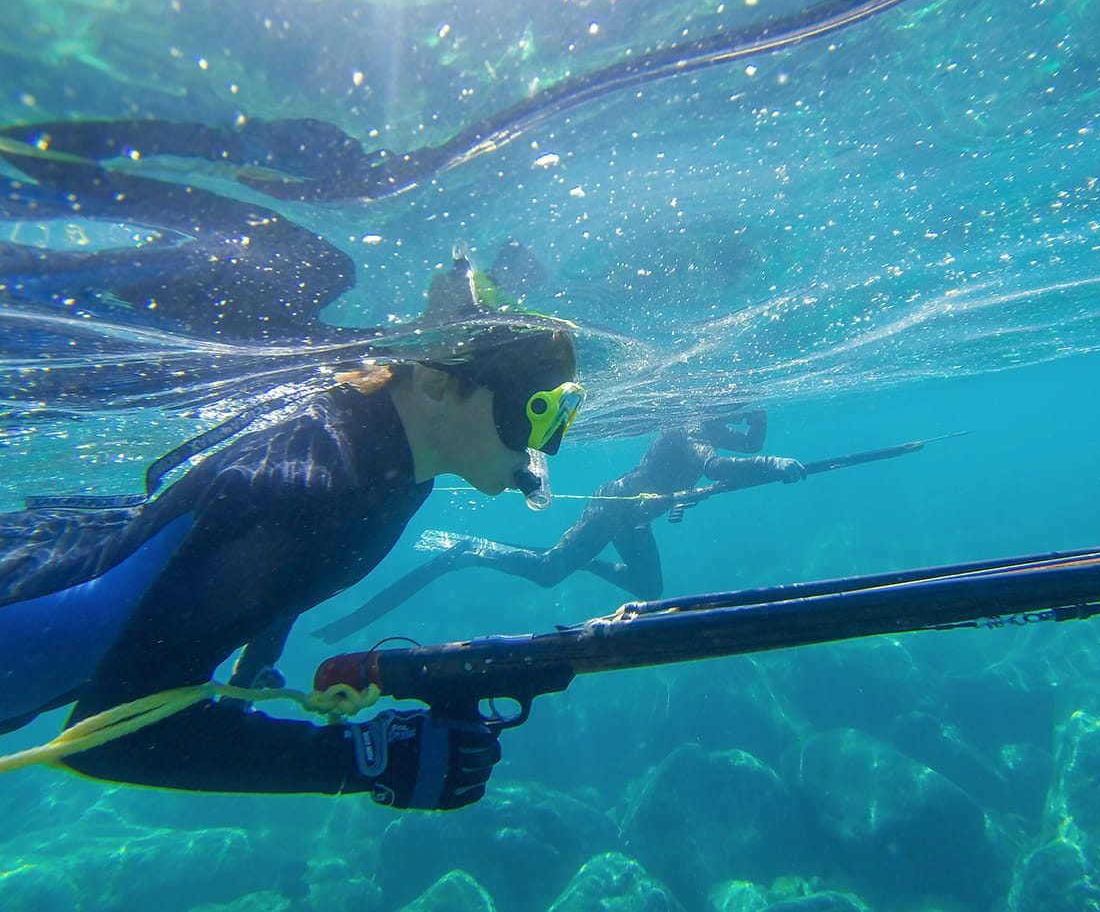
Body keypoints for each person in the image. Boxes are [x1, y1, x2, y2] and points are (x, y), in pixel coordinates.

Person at [0, 251, 584, 811]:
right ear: (435, 386)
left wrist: (253, 663)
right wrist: (364, 760)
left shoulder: (392, 464)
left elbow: (275, 576)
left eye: (561, 415)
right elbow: (108, 737)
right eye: (533, 412)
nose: (546, 447)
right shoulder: (309, 492)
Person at [316, 411, 804, 644]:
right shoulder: (691, 428)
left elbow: (744, 445)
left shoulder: (711, 427)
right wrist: (775, 464)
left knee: (648, 588)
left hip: (635, 518)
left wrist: (758, 419)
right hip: (614, 507)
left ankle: (585, 562)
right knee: (549, 571)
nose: (736, 420)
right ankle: (469, 549)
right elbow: (719, 467)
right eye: (733, 408)